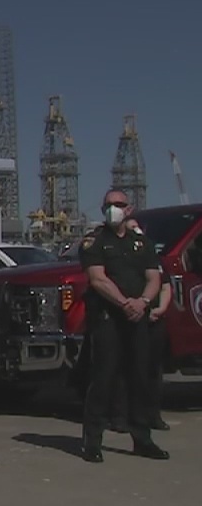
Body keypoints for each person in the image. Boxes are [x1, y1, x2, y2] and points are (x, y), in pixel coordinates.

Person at [77, 190, 169, 463]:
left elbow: (154, 277)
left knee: (139, 377)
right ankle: (92, 441)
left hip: (137, 318)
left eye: (118, 205)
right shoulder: (94, 241)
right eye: (107, 205)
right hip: (108, 319)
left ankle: (142, 439)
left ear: (129, 209)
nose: (112, 209)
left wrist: (141, 302)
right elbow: (98, 279)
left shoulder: (142, 243)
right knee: (103, 379)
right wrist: (124, 303)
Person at [125, 218, 171, 431]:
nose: (135, 231)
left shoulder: (153, 257)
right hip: (132, 318)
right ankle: (123, 416)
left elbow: (165, 286)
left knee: (153, 370)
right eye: (130, 227)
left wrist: (160, 309)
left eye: (137, 227)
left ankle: (153, 415)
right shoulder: (123, 259)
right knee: (129, 369)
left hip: (154, 319)